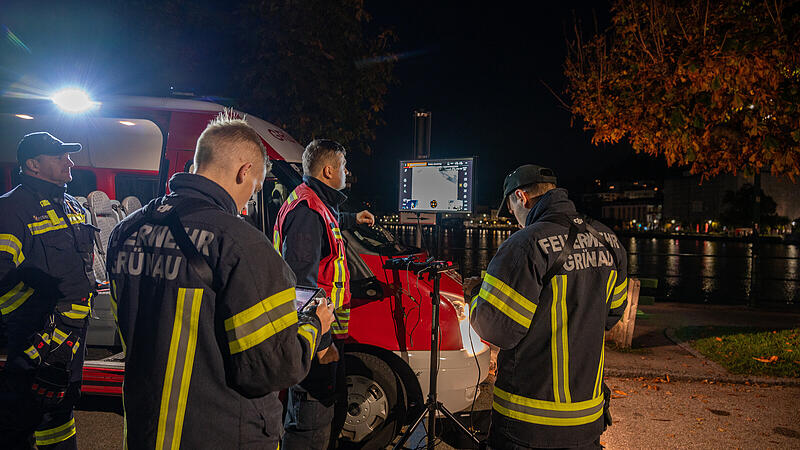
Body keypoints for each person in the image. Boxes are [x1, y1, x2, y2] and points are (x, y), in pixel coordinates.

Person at [106, 111, 333, 449]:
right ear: (245, 171)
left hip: (146, 428)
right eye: (255, 188)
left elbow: (126, 321)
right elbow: (272, 367)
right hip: (222, 431)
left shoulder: (128, 229)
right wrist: (314, 325)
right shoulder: (242, 245)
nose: (249, 201)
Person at [466, 164, 628, 450]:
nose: (515, 220)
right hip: (588, 415)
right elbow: (613, 312)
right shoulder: (608, 240)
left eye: (512, 209)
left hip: (528, 420)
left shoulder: (524, 244)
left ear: (521, 197)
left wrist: (478, 295)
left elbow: (496, 329)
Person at [273, 139, 374, 450]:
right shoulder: (307, 211)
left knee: (329, 410)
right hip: (315, 336)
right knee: (310, 419)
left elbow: (326, 228)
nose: (347, 171)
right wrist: (322, 345)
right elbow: (301, 287)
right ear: (329, 170)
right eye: (343, 166)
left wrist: (352, 219)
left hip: (324, 331)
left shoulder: (316, 203)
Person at [0, 132, 97, 449]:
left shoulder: (73, 206)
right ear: (33, 165)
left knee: (60, 411)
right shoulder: (11, 210)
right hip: (37, 340)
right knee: (23, 417)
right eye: (59, 156)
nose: (69, 161)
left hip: (72, 337)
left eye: (67, 155)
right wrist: (37, 324)